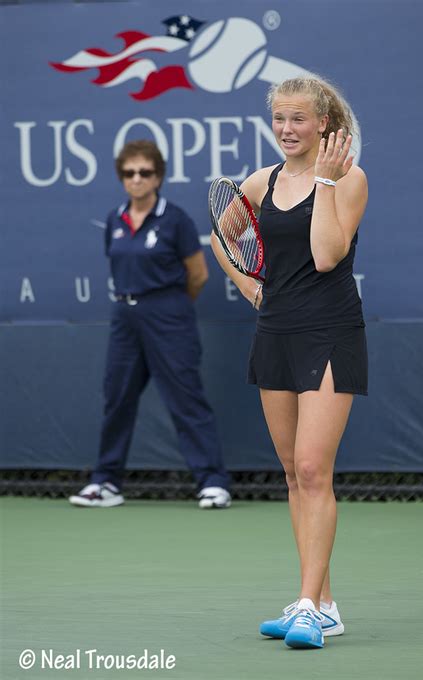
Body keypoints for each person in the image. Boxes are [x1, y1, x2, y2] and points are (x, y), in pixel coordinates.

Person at [211, 75, 368, 648]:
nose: (286, 129)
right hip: (274, 331)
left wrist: (324, 181)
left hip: (330, 333)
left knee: (311, 469)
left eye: (298, 119)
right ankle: (322, 603)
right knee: (291, 474)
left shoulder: (350, 180)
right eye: (279, 118)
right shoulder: (261, 180)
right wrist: (250, 287)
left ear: (324, 123)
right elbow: (220, 236)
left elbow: (327, 256)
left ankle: (306, 605)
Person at [70, 140, 231, 510]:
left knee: (186, 399)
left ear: (158, 176)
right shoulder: (114, 219)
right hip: (124, 319)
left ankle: (212, 482)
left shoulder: (175, 220)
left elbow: (198, 274)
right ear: (121, 177)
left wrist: (168, 307)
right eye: (129, 173)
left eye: (145, 172)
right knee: (117, 399)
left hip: (169, 316)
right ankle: (106, 482)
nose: (137, 179)